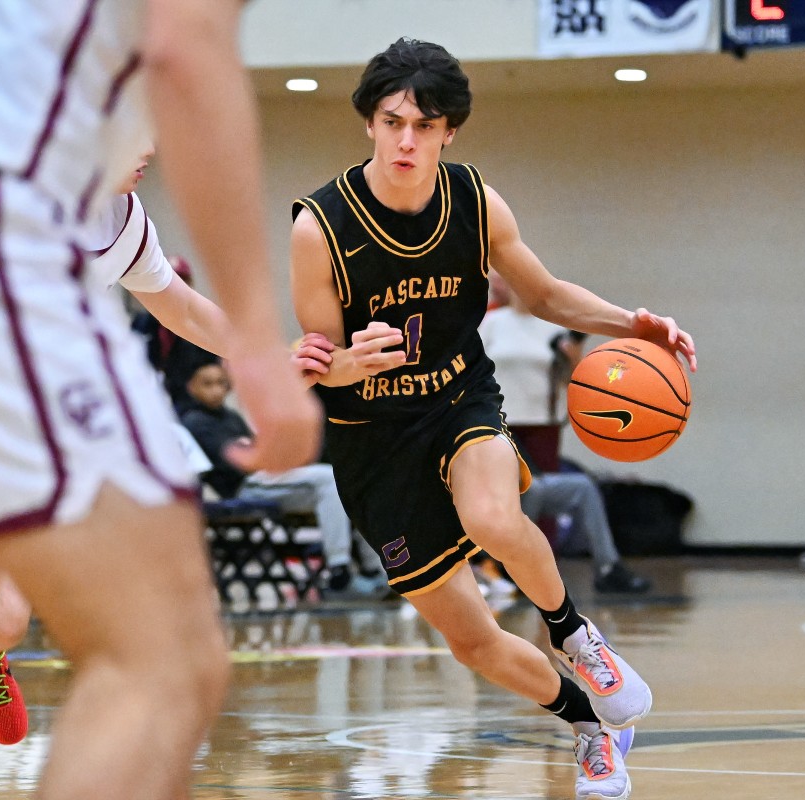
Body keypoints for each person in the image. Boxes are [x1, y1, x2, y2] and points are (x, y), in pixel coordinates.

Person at [0, 2, 321, 797]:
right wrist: (254, 341)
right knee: (163, 656)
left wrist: (270, 352)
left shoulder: (116, 213)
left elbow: (176, 304)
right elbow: (184, 43)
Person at [289, 38, 697, 800]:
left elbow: (541, 294)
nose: (407, 139)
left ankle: (575, 631)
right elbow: (319, 363)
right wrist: (351, 360)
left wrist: (632, 325)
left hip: (457, 400)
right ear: (368, 125)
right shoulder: (321, 227)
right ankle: (590, 729)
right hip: (372, 438)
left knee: (492, 516)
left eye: (425, 125)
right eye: (392, 121)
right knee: (472, 641)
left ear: (450, 132)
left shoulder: (475, 201)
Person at [480, 273, 650, 594]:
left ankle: (548, 574)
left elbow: (574, 381)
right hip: (498, 423)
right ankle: (504, 569)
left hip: (543, 421)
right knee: (509, 499)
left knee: (540, 500)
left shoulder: (552, 326)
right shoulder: (491, 322)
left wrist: (575, 358)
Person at [181, 360, 386, 595]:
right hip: (245, 487)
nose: (216, 389)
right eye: (207, 384)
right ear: (191, 387)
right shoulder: (194, 421)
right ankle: (338, 565)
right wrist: (261, 454)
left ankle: (374, 569)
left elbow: (255, 450)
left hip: (269, 479)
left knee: (347, 483)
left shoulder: (230, 417)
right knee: (329, 477)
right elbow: (238, 462)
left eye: (220, 383)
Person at [131, 255, 219, 412]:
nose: (174, 288)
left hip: (192, 407)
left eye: (182, 281)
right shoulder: (141, 323)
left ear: (190, 285)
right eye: (171, 280)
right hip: (147, 402)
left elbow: (212, 370)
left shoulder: (203, 325)